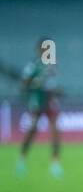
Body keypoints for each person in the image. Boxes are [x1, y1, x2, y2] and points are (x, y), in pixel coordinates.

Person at [16, 37, 63, 179]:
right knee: (33, 130)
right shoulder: (33, 65)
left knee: (55, 131)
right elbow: (24, 84)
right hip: (38, 99)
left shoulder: (52, 65)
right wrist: (35, 84)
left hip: (50, 100)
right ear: (39, 49)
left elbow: (51, 84)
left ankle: (55, 164)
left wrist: (57, 90)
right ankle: (22, 161)